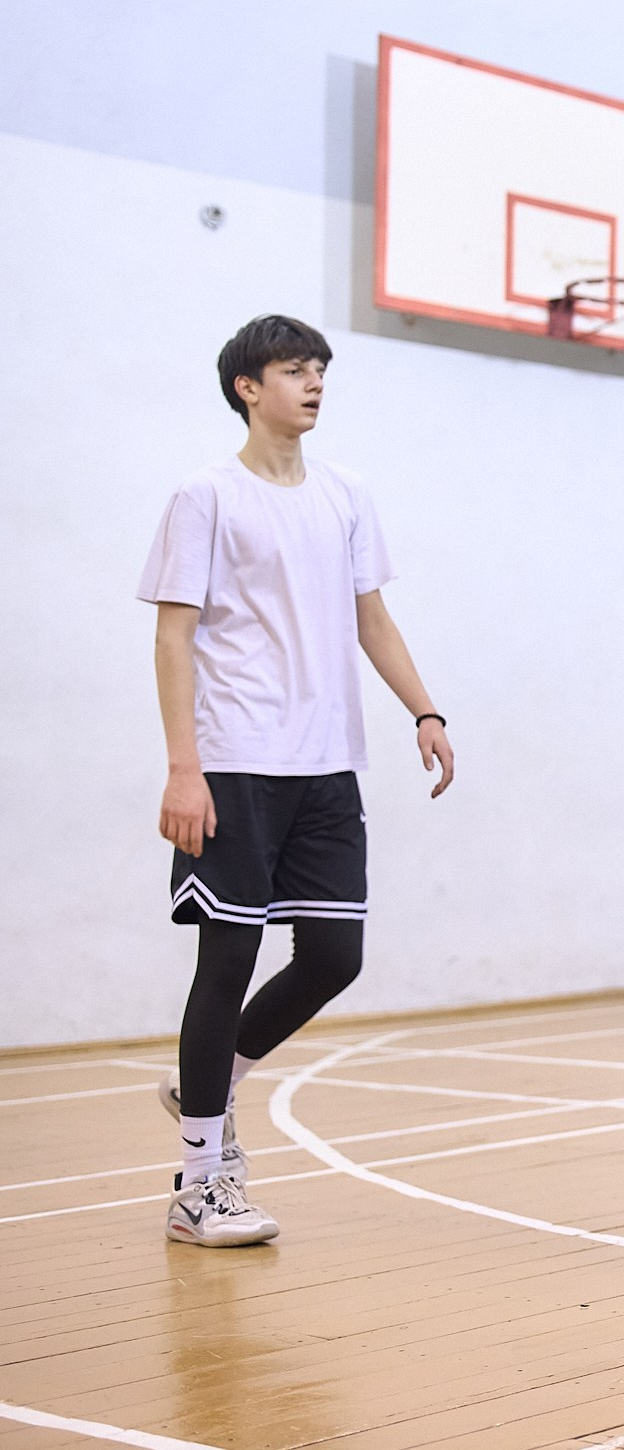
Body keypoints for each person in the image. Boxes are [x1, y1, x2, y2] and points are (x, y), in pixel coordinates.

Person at [143, 315, 455, 1248]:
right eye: (294, 369)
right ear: (248, 386)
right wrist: (182, 767)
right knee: (227, 958)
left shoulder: (346, 494)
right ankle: (201, 1182)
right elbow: (172, 634)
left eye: (321, 369)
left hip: (328, 764)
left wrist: (425, 711)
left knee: (332, 956)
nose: (314, 382)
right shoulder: (205, 496)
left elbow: (372, 618)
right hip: (235, 761)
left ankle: (213, 1078)